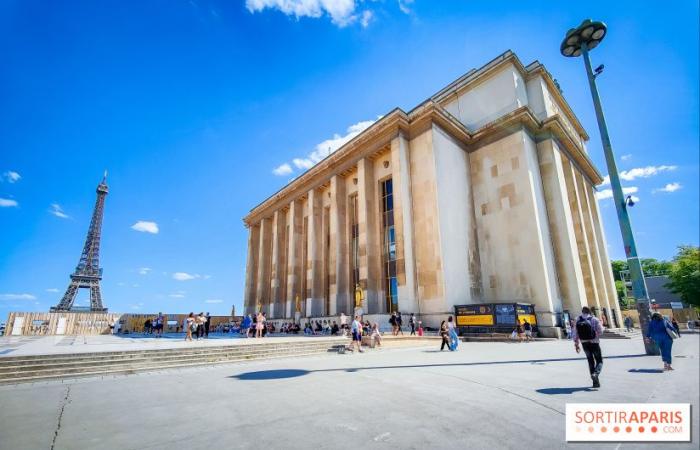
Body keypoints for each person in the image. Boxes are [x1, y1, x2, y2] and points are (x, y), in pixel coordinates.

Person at [572, 306, 604, 388]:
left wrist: (576, 344)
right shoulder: (594, 319)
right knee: (599, 360)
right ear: (589, 312)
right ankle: (595, 374)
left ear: (582, 312)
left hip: (584, 343)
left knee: (590, 361)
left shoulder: (577, 320)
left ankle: (595, 383)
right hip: (595, 342)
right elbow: (601, 331)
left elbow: (575, 333)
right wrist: (596, 334)